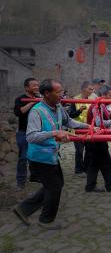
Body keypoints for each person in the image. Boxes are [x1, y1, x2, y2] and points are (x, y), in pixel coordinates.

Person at [13, 79, 90, 230]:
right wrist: (55, 133)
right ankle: (45, 220)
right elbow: (31, 136)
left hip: (51, 155)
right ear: (47, 93)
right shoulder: (37, 111)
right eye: (58, 92)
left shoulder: (58, 106)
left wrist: (89, 126)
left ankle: (23, 209)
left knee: (54, 185)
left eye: (62, 91)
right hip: (40, 157)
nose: (62, 94)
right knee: (54, 187)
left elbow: (69, 122)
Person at [84, 85, 111, 193]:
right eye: (110, 95)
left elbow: (103, 119)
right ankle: (110, 186)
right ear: (103, 95)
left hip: (96, 139)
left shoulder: (101, 105)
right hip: (96, 139)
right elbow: (98, 123)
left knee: (95, 164)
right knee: (106, 163)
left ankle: (90, 186)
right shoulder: (97, 106)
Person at [13, 78, 40, 191]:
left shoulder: (40, 99)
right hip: (23, 132)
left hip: (37, 132)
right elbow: (19, 112)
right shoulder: (20, 99)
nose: (36, 87)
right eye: (34, 85)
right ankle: (20, 181)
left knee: (35, 156)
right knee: (23, 158)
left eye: (37, 85)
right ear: (26, 87)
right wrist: (32, 103)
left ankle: (34, 176)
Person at [67, 81, 94, 175]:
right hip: (77, 129)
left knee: (89, 150)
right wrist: (79, 111)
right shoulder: (74, 100)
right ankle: (78, 170)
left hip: (88, 128)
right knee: (79, 151)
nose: (92, 91)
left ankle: (86, 169)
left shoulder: (92, 100)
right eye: (90, 89)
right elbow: (69, 115)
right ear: (83, 89)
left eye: (92, 89)